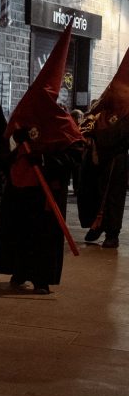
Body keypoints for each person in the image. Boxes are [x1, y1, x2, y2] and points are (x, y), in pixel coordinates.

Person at [0, 27, 83, 293]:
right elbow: (5, 149)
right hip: (20, 189)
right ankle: (20, 270)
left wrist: (43, 158)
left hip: (46, 192)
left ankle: (42, 277)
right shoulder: (23, 113)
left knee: (43, 236)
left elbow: (75, 153)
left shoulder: (62, 121)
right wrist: (16, 138)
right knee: (19, 232)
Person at [78, 48, 129, 249]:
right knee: (93, 191)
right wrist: (88, 134)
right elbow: (89, 117)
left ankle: (112, 232)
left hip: (116, 157)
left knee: (113, 196)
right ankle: (96, 224)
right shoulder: (105, 102)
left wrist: (98, 138)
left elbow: (121, 133)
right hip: (96, 154)